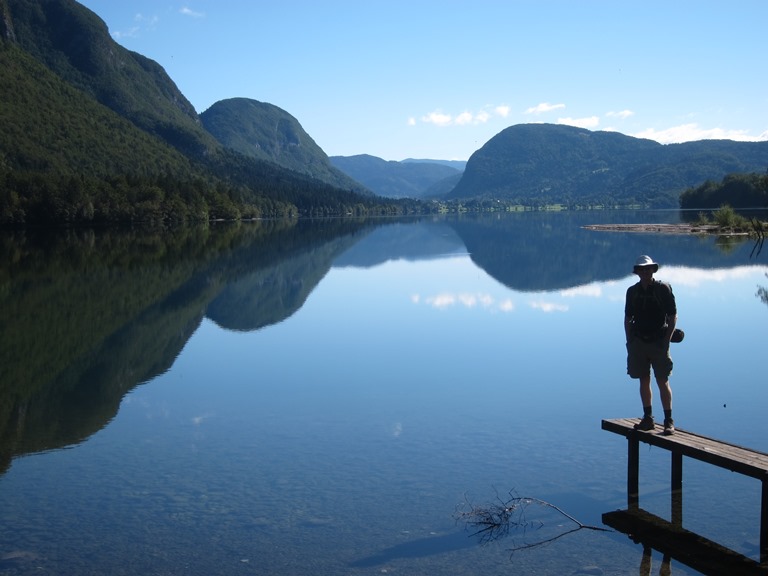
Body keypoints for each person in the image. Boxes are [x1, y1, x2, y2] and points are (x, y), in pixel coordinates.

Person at [624, 255, 677, 435]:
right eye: (642, 269)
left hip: (658, 341)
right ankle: (648, 418)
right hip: (638, 342)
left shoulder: (663, 289)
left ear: (653, 270)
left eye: (648, 268)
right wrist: (629, 341)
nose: (645, 272)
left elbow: (672, 317)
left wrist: (667, 339)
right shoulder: (632, 291)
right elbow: (627, 318)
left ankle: (668, 421)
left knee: (662, 380)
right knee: (643, 379)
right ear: (637, 272)